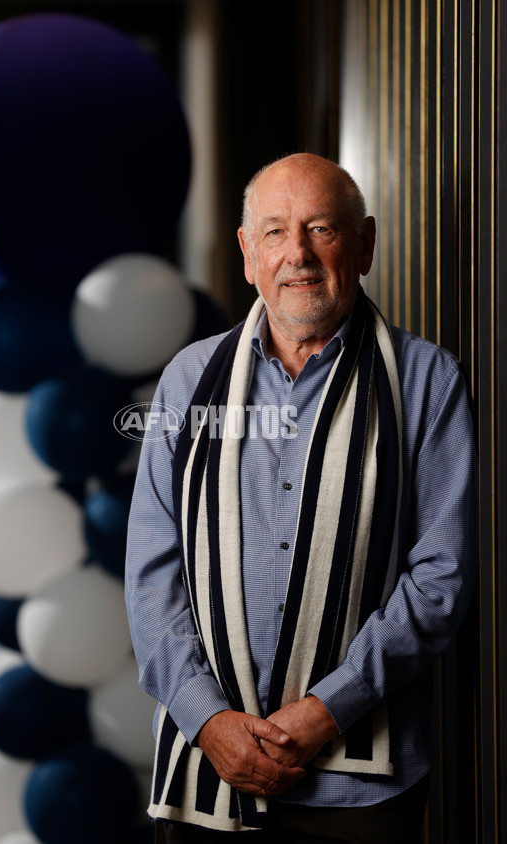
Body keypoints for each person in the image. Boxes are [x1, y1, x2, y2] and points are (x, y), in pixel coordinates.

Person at [124, 153, 478, 843]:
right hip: (209, 767)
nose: (300, 255)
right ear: (248, 251)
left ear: (365, 243)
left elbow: (442, 580)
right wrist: (208, 719)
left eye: (323, 229)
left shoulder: (428, 380)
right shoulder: (189, 381)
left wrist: (325, 711)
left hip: (364, 788)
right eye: (277, 233)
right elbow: (150, 574)